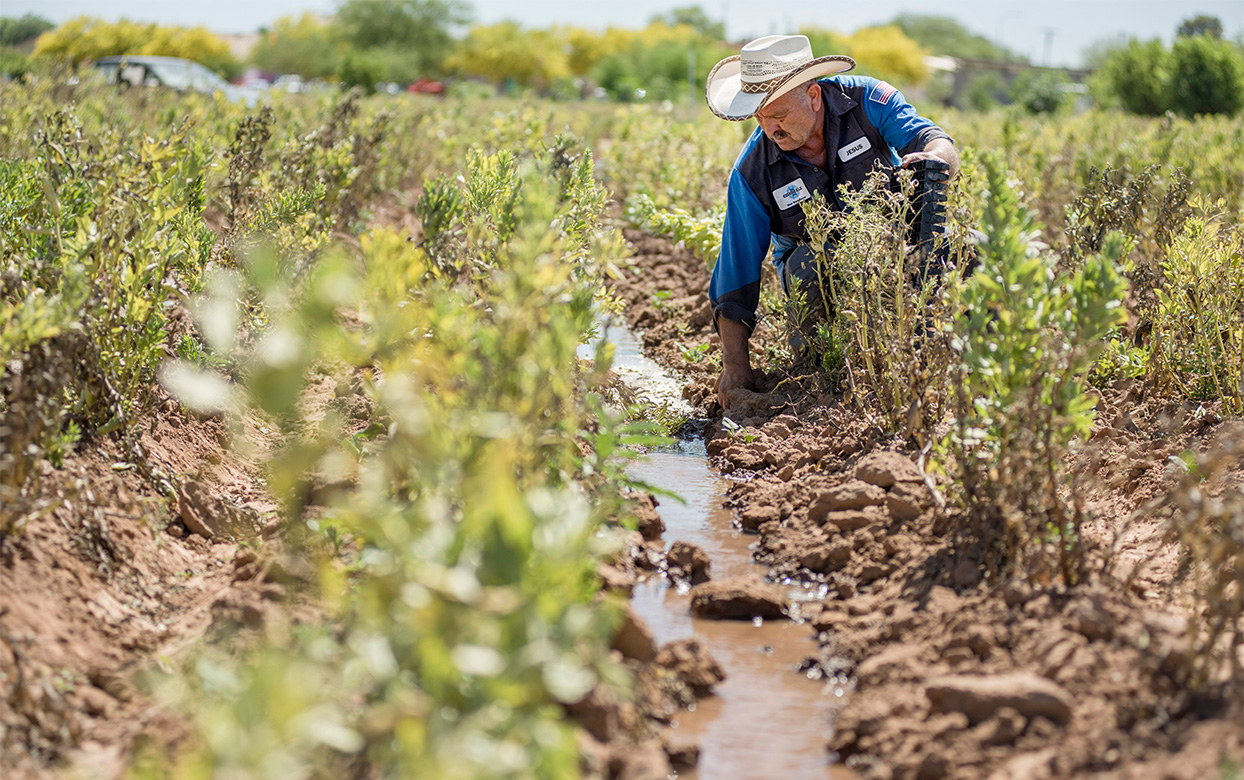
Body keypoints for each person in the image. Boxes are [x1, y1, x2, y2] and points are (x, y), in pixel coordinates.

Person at [705, 35, 959, 409]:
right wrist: (736, 368)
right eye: (760, 118)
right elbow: (736, 276)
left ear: (812, 96)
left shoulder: (867, 101)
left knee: (968, 248)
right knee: (814, 309)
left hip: (890, 245)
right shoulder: (752, 173)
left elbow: (934, 140)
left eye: (778, 115)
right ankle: (829, 388)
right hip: (813, 275)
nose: (770, 129)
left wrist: (934, 162)